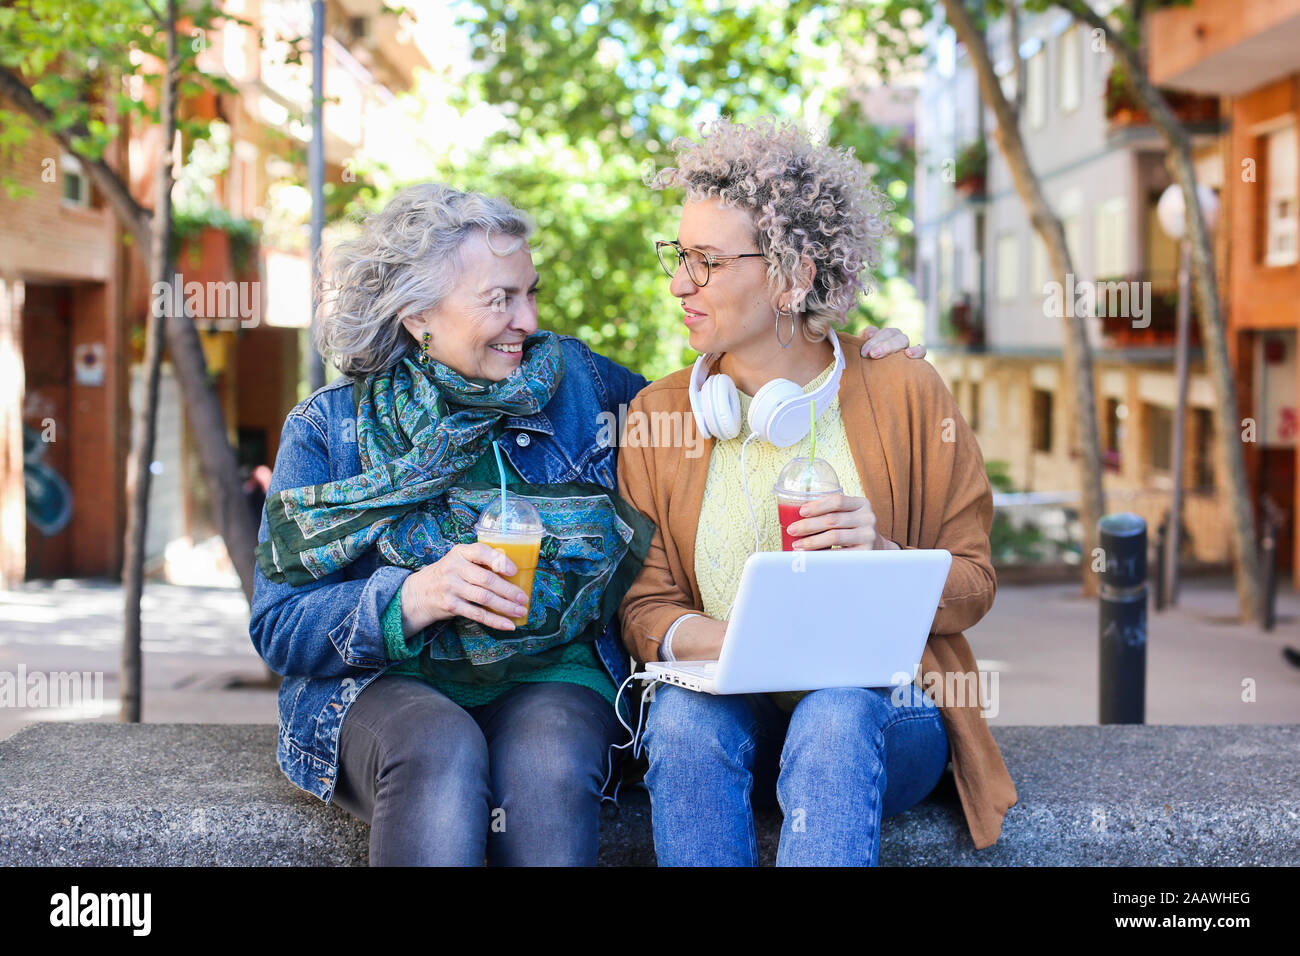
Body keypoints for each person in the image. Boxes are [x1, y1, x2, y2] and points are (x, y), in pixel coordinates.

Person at [248, 182, 923, 867]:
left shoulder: (580, 386)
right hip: (385, 684)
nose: (526, 319)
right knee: (438, 754)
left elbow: (724, 400)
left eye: (530, 292)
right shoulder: (330, 430)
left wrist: (853, 359)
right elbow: (278, 626)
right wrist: (414, 597)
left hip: (553, 675)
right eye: (499, 299)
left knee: (548, 762)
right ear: (418, 313)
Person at [616, 117, 1018, 866]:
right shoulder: (660, 415)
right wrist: (749, 647)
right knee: (679, 722)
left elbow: (974, 585)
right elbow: (645, 607)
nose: (679, 283)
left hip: (882, 722)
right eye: (679, 257)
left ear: (792, 276)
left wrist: (888, 557)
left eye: (705, 261)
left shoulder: (903, 389)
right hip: (731, 716)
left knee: (834, 713)